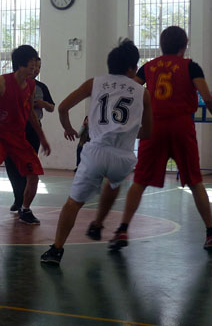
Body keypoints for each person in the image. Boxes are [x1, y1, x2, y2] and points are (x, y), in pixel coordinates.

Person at [108, 26, 212, 252]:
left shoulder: (148, 67)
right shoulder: (191, 66)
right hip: (182, 126)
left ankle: (122, 229)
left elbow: (129, 89)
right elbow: (207, 97)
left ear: (162, 46)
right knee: (195, 181)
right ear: (184, 45)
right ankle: (211, 233)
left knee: (140, 180)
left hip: (154, 126)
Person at [41, 39, 152, 265]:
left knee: (73, 203)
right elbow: (148, 132)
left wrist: (68, 128)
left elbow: (62, 107)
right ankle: (98, 223)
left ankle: (56, 249)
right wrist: (129, 133)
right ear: (132, 68)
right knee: (114, 182)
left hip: (96, 153)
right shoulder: (143, 93)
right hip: (123, 158)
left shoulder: (95, 83)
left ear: (110, 65)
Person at [0, 45, 51, 225]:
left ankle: (25, 210)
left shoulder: (31, 85)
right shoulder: (1, 83)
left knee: (34, 176)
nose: (35, 67)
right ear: (20, 64)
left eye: (36, 63)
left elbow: (30, 114)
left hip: (18, 137)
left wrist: (43, 138)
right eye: (32, 63)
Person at [4, 56, 54, 212]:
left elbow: (52, 107)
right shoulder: (9, 84)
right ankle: (18, 197)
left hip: (33, 129)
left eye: (39, 67)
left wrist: (44, 104)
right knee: (11, 164)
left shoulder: (41, 87)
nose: (36, 70)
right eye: (33, 66)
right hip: (13, 129)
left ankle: (24, 202)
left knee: (29, 166)